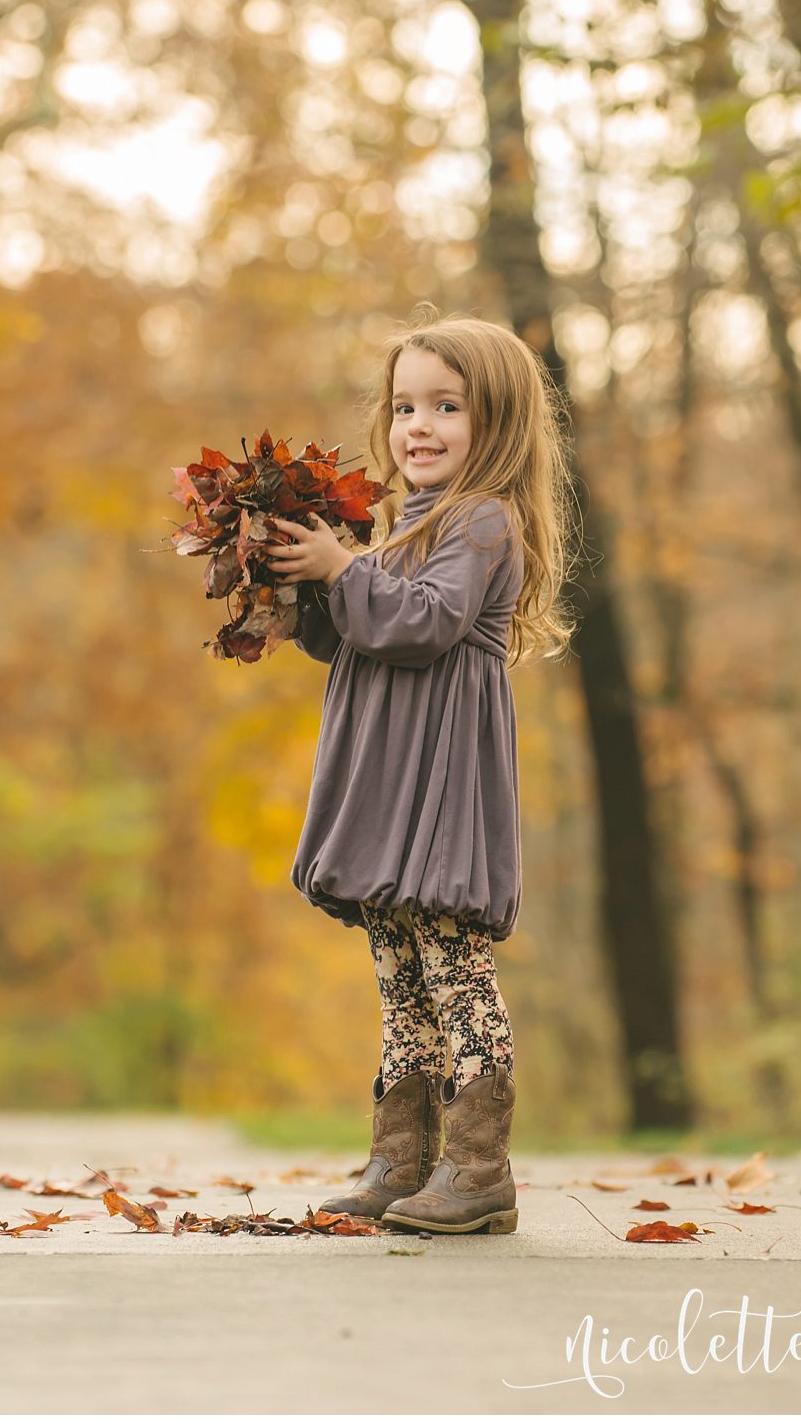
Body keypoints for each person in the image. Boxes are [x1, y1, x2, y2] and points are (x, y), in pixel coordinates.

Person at [263, 310, 575, 1236]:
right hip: (388, 776)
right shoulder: (404, 520)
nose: (419, 427)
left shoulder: (484, 520)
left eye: (447, 406)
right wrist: (303, 603)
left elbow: (425, 623)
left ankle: (481, 1168)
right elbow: (364, 630)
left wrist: (345, 567)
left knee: (450, 961)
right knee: (398, 964)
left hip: (440, 782)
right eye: (405, 407)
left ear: (501, 425)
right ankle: (404, 1158)